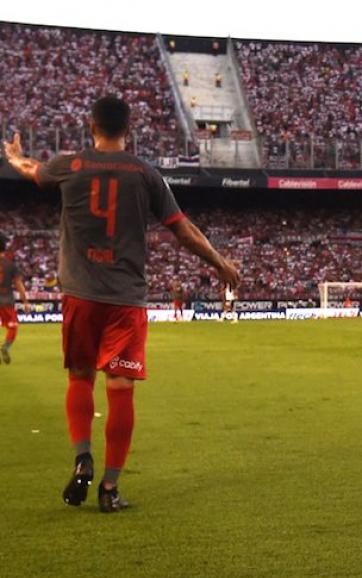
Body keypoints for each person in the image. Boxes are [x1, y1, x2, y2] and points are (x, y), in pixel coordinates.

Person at [3, 96, 240, 513]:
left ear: (90, 126)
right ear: (127, 129)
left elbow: (30, 170)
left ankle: (82, 456)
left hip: (79, 295)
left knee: (79, 378)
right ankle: (110, 488)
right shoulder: (146, 174)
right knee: (121, 388)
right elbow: (182, 230)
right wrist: (220, 262)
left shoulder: (69, 164)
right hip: (125, 301)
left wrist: (15, 155)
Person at [0, 235, 31, 364]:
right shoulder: (10, 265)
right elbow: (19, 284)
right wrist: (25, 302)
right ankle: (5, 347)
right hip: (6, 302)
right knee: (13, 327)